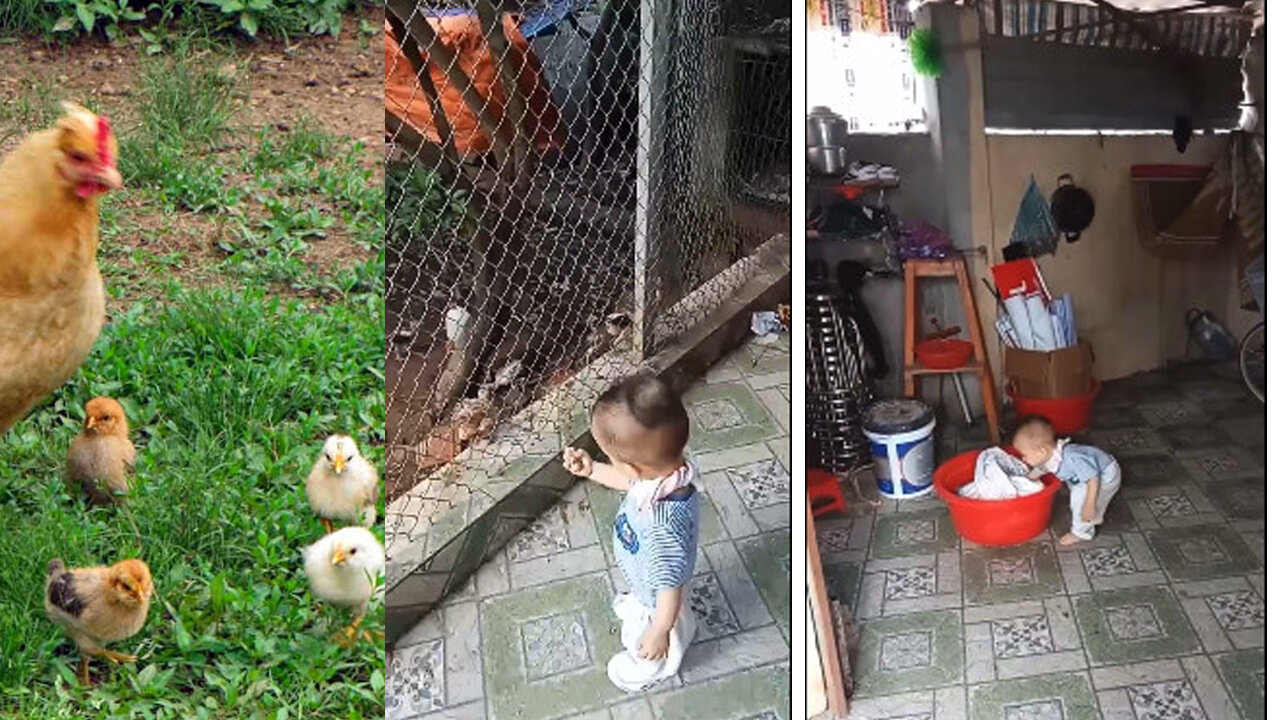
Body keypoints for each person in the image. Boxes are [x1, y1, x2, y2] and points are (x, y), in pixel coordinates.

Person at [562, 373, 699, 692]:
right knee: (667, 604)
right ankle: (671, 622)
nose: (607, 462)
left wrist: (660, 630)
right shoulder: (671, 473)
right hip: (651, 580)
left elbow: (669, 587)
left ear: (635, 467)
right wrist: (593, 469)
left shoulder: (662, 527)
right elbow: (631, 481)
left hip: (658, 599)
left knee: (660, 631)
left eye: (610, 458)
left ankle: (652, 667)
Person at [1011, 414, 1122, 546]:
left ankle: (1081, 532)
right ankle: (1091, 515)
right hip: (1086, 475)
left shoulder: (1072, 457)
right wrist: (1027, 478)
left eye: (1025, 455)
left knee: (1081, 502)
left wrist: (1089, 504)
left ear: (1042, 451)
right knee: (1080, 493)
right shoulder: (1049, 455)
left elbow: (1093, 478)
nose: (1023, 459)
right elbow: (1043, 468)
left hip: (1105, 475)